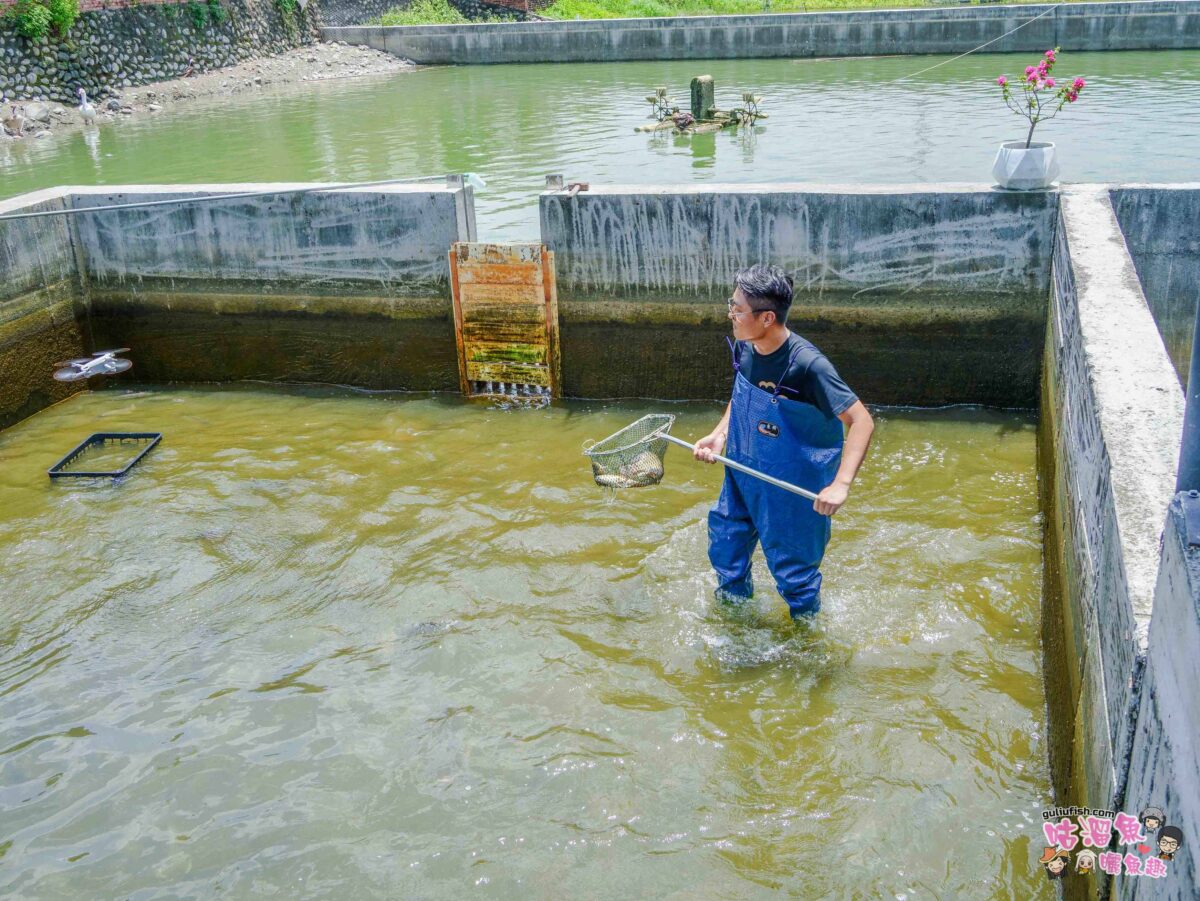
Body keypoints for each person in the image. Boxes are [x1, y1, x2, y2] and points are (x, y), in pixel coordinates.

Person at [694, 265, 874, 619]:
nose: (730, 314)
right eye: (731, 305)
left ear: (766, 318)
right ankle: (737, 630)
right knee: (726, 555)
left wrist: (841, 484)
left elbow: (861, 421)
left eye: (737, 309)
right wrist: (720, 435)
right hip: (741, 473)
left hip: (791, 486)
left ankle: (808, 648)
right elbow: (742, 395)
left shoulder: (808, 366)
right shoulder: (747, 347)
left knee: (795, 580)